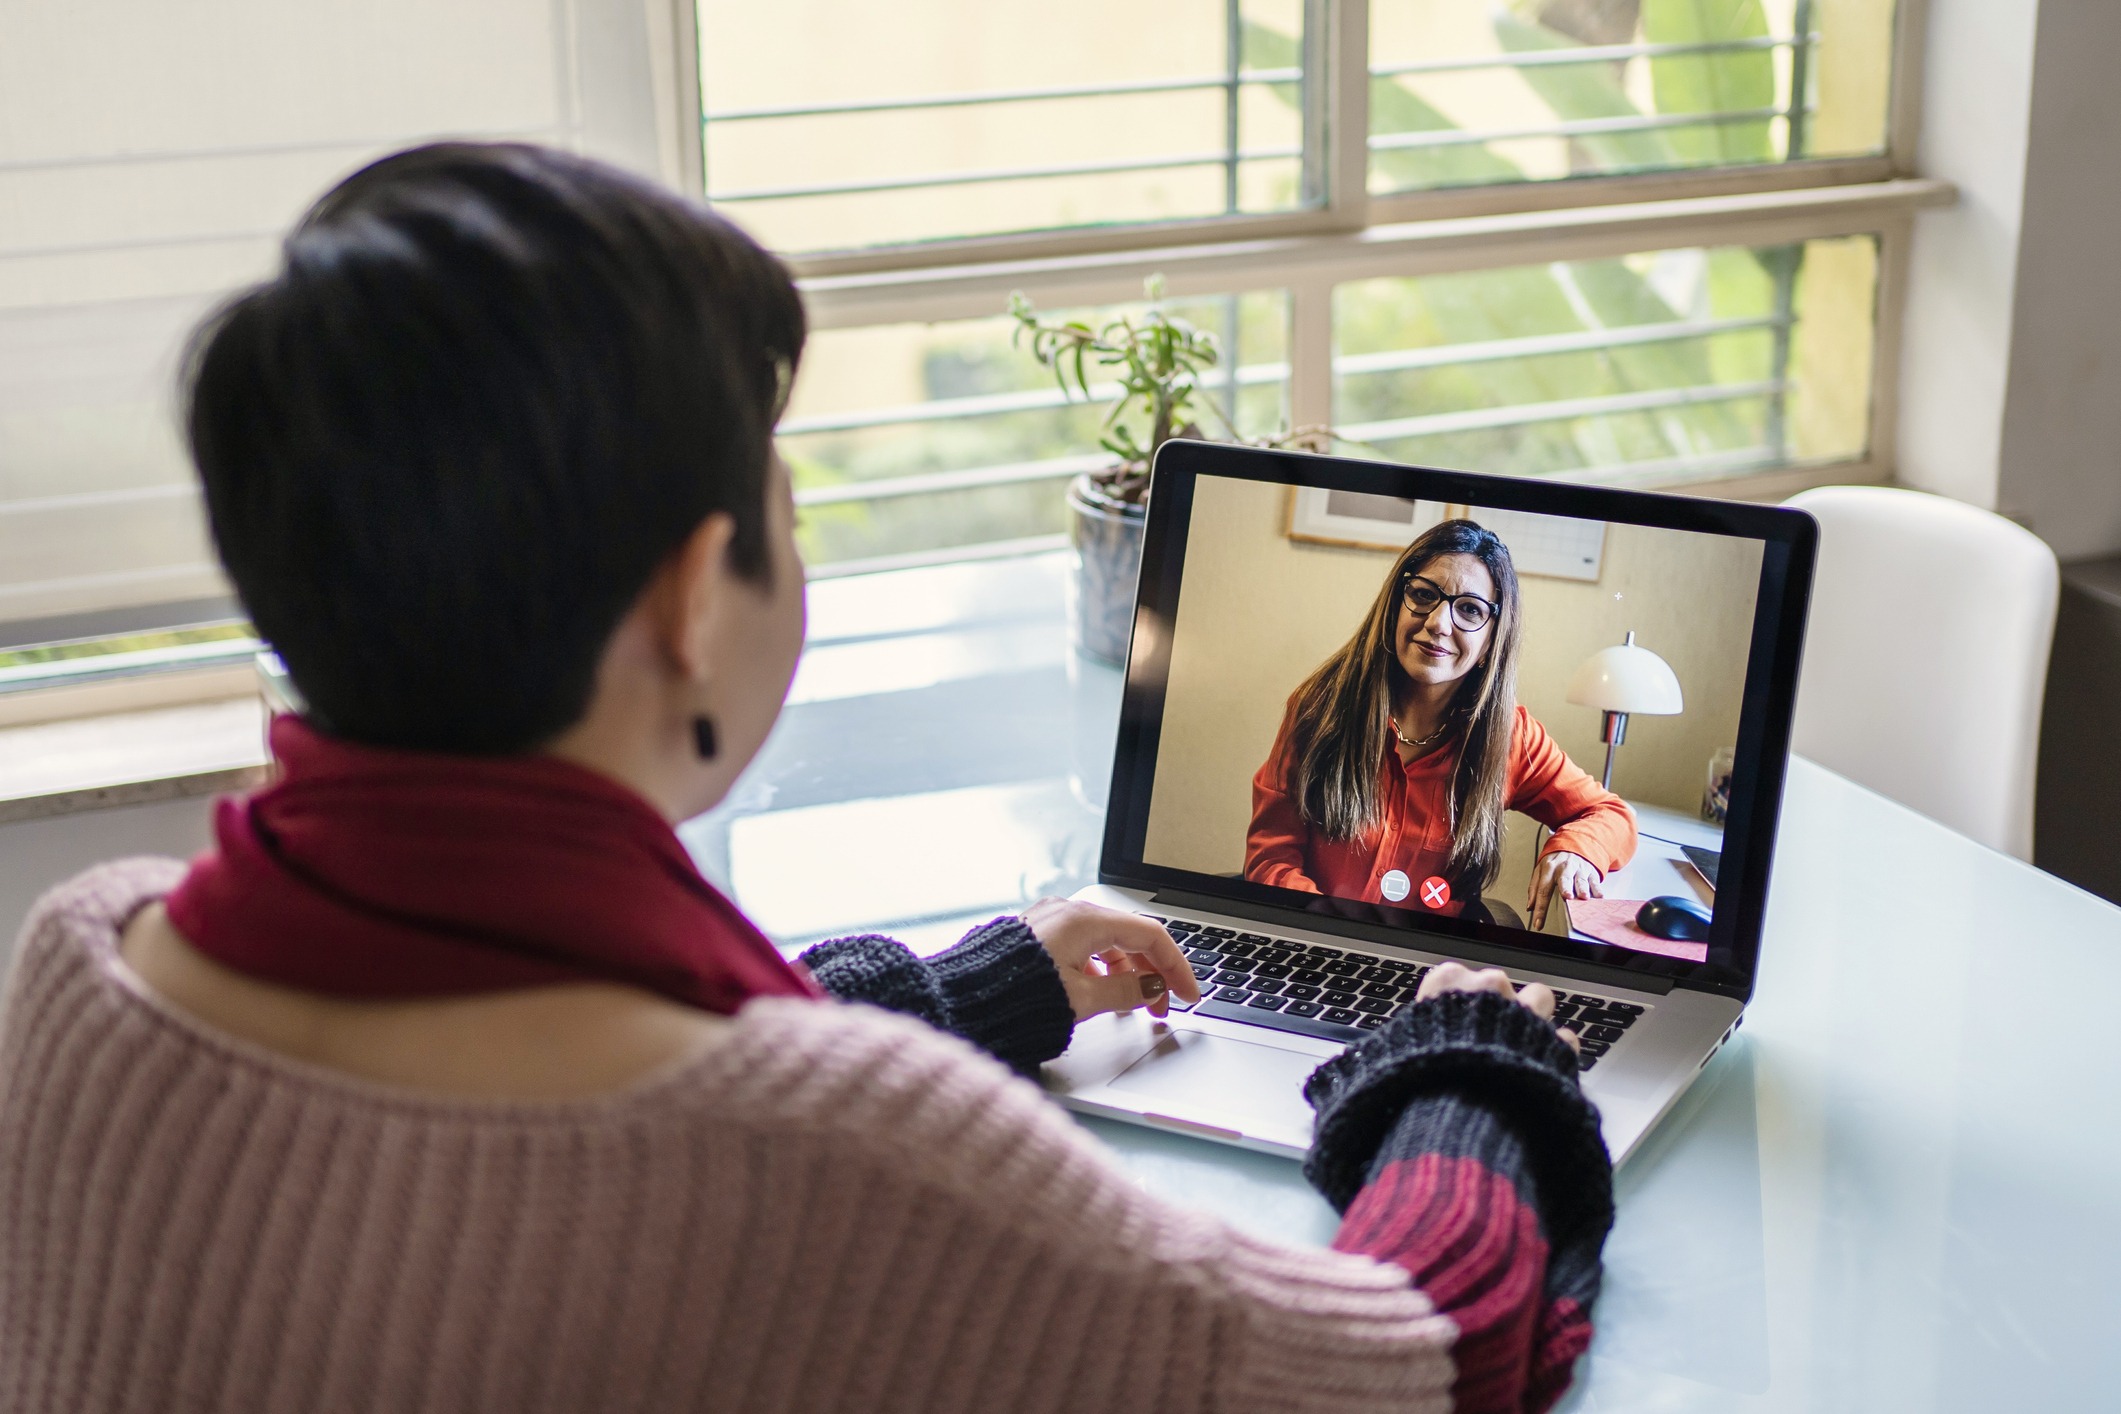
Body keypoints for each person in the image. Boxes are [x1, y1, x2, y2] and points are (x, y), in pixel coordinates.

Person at [0, 144, 1612, 1413]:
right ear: (695, 598)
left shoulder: (81, 968)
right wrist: (1463, 1064)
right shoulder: (836, 1151)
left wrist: (959, 991)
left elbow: (560, 1093)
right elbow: (1408, 1364)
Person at [1247, 521, 1637, 930]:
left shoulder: (1510, 738)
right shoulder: (1319, 709)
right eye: (1423, 595)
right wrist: (1332, 933)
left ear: (1491, 641)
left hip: (1431, 967)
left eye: (1469, 609)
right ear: (1395, 607)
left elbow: (1610, 814)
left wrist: (1576, 850)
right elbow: (1270, 857)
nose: (1439, 622)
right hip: (1315, 944)